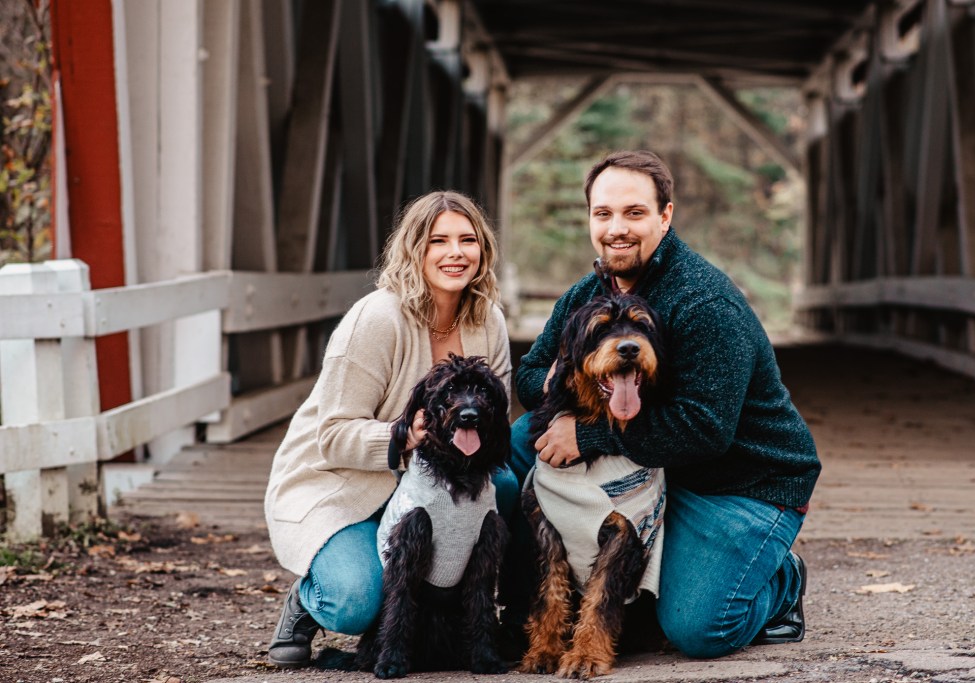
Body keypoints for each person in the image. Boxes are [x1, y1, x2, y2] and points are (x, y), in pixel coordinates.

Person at [509, 150, 821, 659]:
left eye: (634, 213)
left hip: (739, 483)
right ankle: (532, 602)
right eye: (603, 214)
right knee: (526, 441)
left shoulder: (705, 302)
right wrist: (558, 394)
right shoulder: (587, 293)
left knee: (699, 628)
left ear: (665, 216)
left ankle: (781, 580)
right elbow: (529, 374)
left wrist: (586, 435)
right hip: (654, 468)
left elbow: (705, 430)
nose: (617, 229)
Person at [264, 190, 516, 668]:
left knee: (505, 485)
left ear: (483, 249)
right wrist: (405, 435)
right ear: (413, 249)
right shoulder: (377, 318)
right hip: (345, 483)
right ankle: (307, 599)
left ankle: (498, 620)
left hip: (430, 480)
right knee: (357, 602)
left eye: (468, 240)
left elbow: (493, 419)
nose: (455, 253)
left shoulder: (489, 320)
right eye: (438, 241)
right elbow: (332, 435)